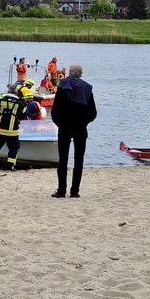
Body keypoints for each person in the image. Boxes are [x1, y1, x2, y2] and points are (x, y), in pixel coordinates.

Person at [51, 64, 96, 198]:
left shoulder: (62, 85)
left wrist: (59, 123)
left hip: (64, 127)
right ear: (81, 74)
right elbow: (93, 113)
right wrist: (84, 122)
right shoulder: (87, 88)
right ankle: (74, 191)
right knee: (79, 159)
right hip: (80, 128)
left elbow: (55, 110)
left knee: (63, 159)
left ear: (70, 73)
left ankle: (61, 191)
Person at [0, 85, 25, 171]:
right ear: (16, 92)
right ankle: (10, 166)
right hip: (13, 132)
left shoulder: (0, 101)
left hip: (0, 130)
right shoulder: (20, 104)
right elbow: (23, 116)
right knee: (14, 149)